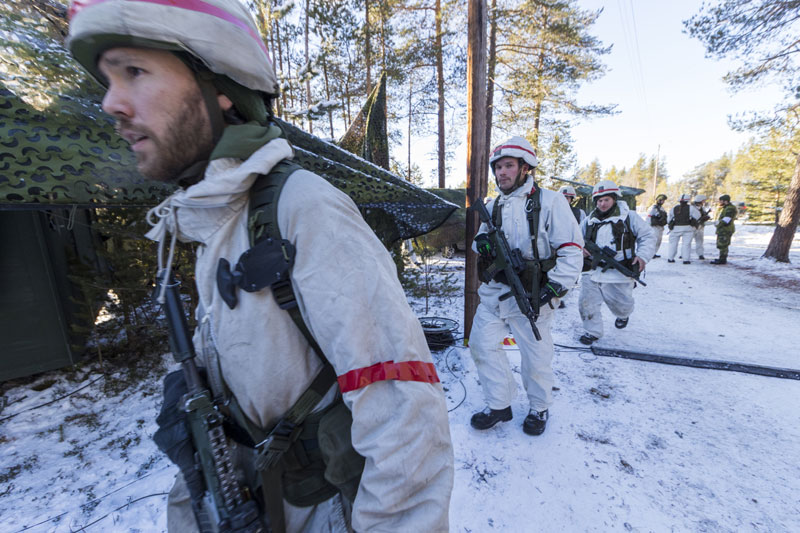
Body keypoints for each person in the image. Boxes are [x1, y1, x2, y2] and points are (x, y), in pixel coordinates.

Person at [66, 1, 454, 532]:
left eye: (134, 71)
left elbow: (407, 422)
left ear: (222, 87)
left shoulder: (303, 209)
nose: (112, 102)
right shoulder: (216, 220)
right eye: (108, 79)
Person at [469, 136, 583, 436]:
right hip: (495, 293)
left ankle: (539, 407)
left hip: (534, 295)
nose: (501, 173)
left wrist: (555, 288)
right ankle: (498, 404)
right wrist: (482, 244)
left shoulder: (551, 201)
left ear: (525, 168)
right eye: (498, 167)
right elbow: (479, 240)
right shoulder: (492, 206)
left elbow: (572, 249)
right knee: (481, 346)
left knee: (536, 357)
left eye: (508, 166)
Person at [578, 180, 655, 345]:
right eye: (599, 201)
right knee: (586, 302)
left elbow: (648, 236)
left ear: (614, 198)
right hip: (591, 269)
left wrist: (642, 256)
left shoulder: (629, 217)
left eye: (606, 200)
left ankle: (623, 315)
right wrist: (580, 249)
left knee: (621, 305)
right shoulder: (590, 220)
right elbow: (576, 239)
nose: (602, 204)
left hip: (619, 270)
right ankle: (592, 332)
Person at [666, 193, 700, 264]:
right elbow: (698, 216)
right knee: (686, 244)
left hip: (675, 228)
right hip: (688, 228)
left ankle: (670, 258)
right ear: (687, 201)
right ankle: (686, 260)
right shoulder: (691, 208)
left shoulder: (674, 208)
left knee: (673, 244)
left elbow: (669, 219)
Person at [711, 194, 738, 265]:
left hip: (726, 229)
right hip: (723, 229)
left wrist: (718, 224)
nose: (720, 202)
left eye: (721, 201)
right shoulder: (725, 208)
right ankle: (721, 258)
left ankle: (722, 259)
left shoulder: (730, 208)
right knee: (721, 244)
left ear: (725, 201)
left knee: (723, 245)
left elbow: (727, 219)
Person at [691, 194, 711, 260]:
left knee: (700, 242)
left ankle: (700, 254)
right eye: (703, 201)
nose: (704, 202)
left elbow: (703, 215)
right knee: (687, 242)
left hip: (700, 227)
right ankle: (683, 254)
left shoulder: (702, 208)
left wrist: (705, 218)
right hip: (692, 227)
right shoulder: (691, 208)